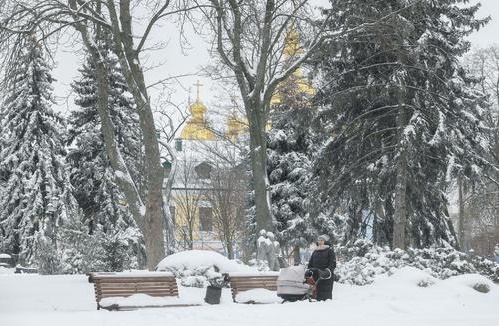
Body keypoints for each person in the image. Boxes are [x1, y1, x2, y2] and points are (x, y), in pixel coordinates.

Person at [307, 234, 336, 301]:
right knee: (315, 295)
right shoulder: (315, 251)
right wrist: (309, 270)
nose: (319, 241)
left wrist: (327, 271)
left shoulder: (329, 251)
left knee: (325, 298)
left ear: (325, 241)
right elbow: (310, 263)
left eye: (321, 240)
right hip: (316, 276)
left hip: (326, 276)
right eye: (318, 240)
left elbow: (333, 263)